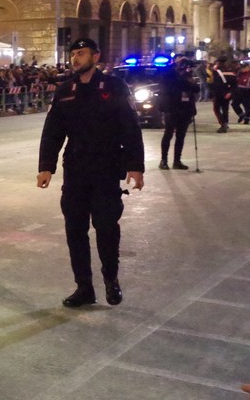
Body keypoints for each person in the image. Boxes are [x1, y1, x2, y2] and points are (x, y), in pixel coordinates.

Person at [37, 38, 145, 308]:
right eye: (73, 53)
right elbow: (52, 131)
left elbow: (130, 127)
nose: (75, 58)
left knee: (106, 227)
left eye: (81, 53)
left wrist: (135, 166)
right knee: (75, 230)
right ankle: (84, 287)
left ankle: (111, 279)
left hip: (106, 169)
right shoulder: (65, 90)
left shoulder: (114, 86)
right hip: (75, 170)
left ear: (95, 57)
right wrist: (46, 166)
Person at [158, 58, 198, 169]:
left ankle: (177, 161)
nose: (183, 66)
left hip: (185, 109)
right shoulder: (168, 73)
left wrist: (189, 79)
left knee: (181, 136)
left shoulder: (187, 75)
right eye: (180, 62)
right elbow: (169, 83)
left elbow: (196, 89)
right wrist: (175, 66)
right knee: (168, 134)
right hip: (171, 108)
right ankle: (163, 160)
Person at [207, 57, 235, 133]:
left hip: (218, 94)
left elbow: (214, 84)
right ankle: (226, 122)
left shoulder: (216, 72)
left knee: (216, 109)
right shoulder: (230, 71)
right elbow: (235, 84)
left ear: (218, 63)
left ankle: (223, 124)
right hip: (227, 93)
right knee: (225, 109)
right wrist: (230, 92)